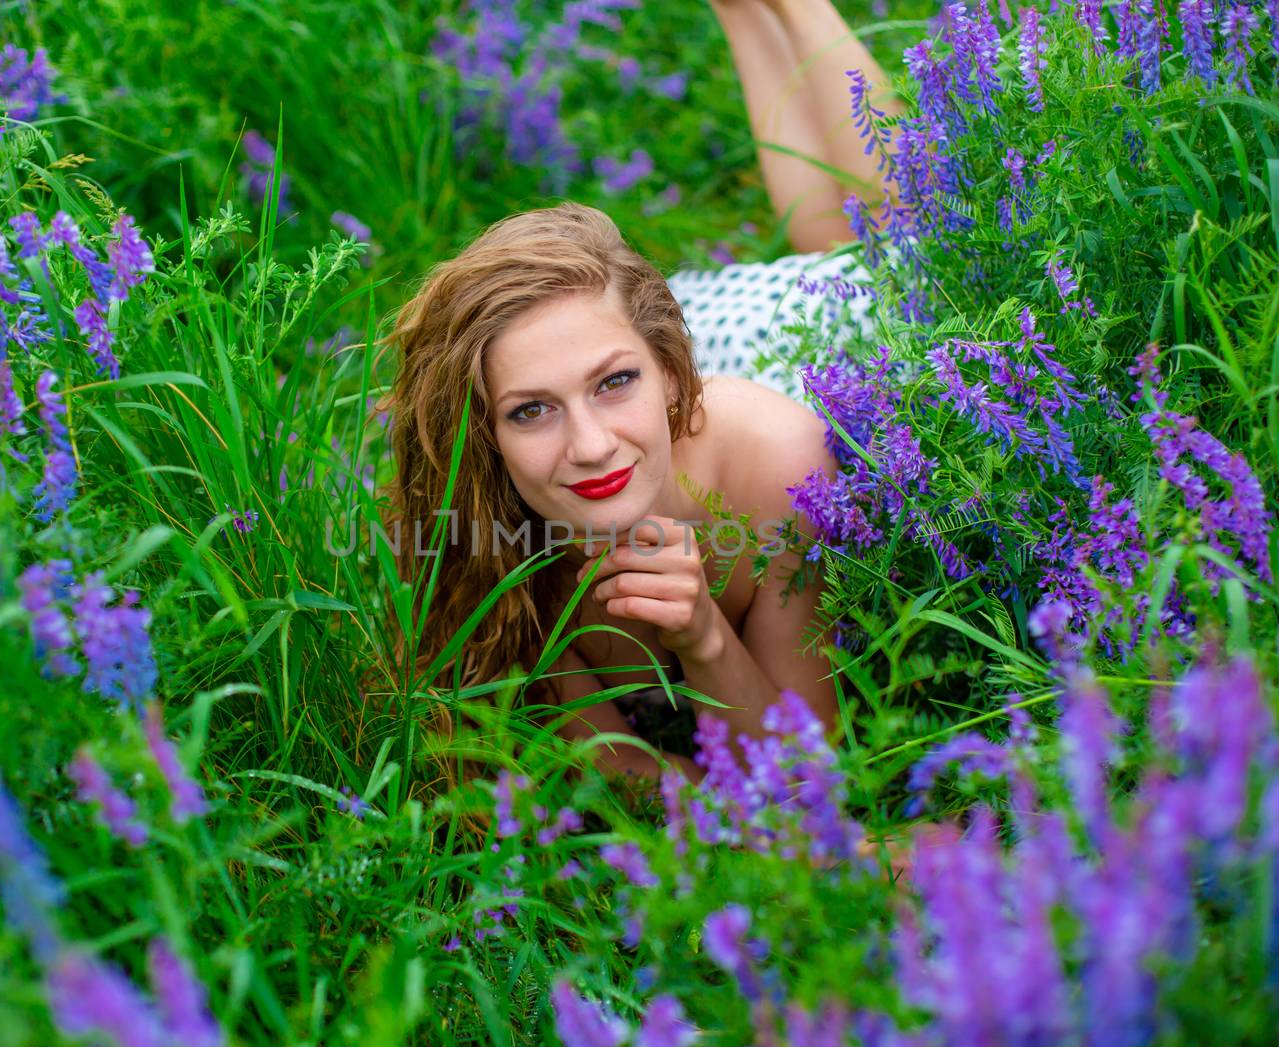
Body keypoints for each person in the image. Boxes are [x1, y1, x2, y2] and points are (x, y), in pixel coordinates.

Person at [374, 0, 897, 783]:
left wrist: (706, 639)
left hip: (771, 344)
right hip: (589, 335)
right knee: (839, 236)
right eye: (530, 411)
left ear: (671, 377)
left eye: (616, 385)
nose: (590, 447)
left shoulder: (784, 468)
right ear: (485, 435)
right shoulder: (484, 535)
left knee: (886, 247)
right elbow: (629, 775)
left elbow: (801, 769)